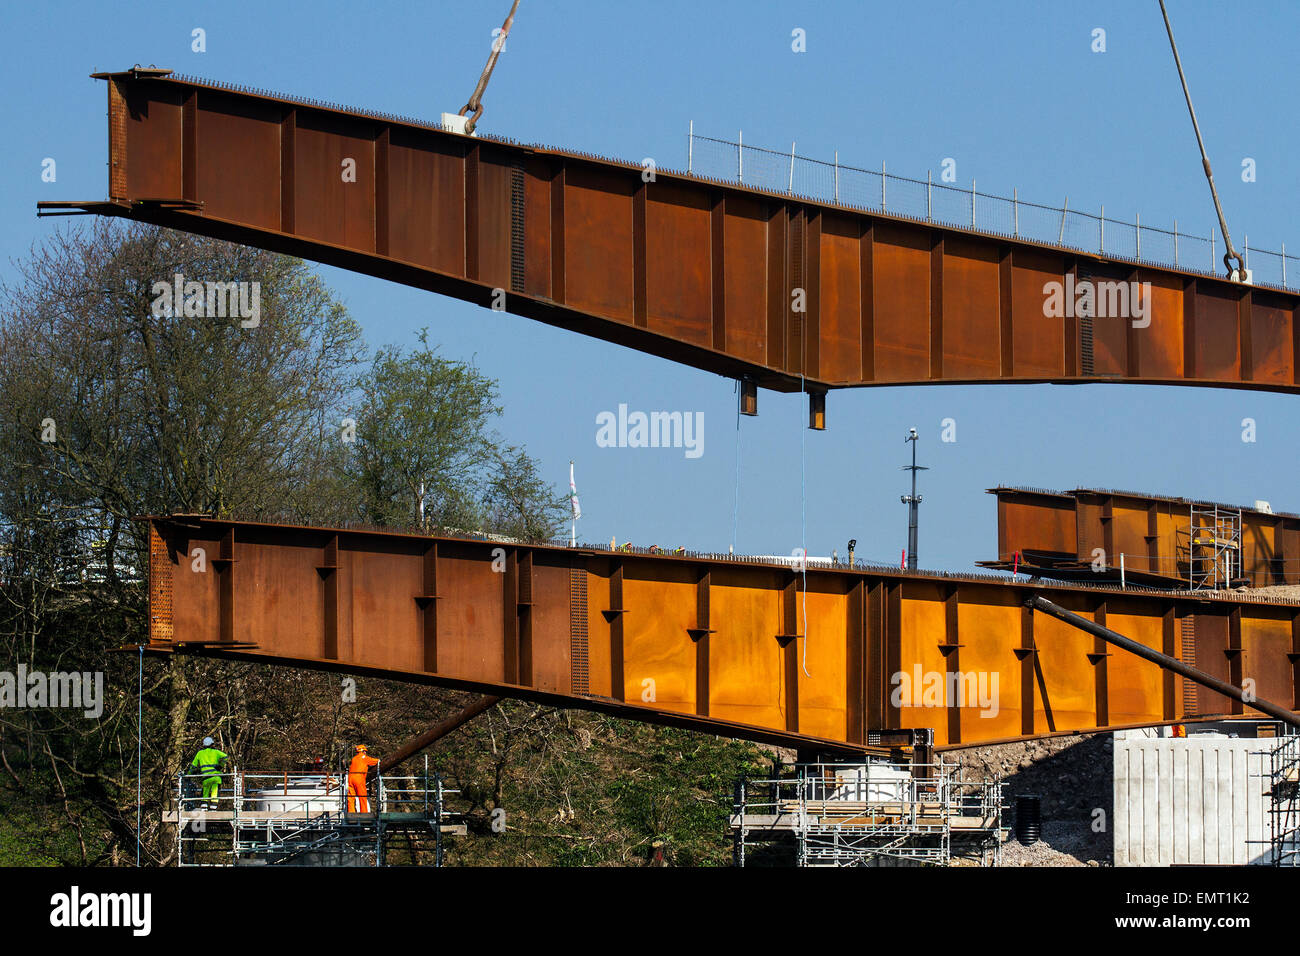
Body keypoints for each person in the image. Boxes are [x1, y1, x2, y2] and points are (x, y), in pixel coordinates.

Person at [190, 736, 228, 810]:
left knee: (205, 792)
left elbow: (193, 766)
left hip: (205, 777)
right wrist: (221, 765)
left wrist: (188, 774)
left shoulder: (200, 753)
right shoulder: (216, 752)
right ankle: (213, 806)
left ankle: (204, 806)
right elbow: (225, 757)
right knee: (215, 791)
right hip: (216, 777)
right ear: (212, 744)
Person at [347, 744, 380, 813]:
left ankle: (351, 813)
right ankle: (364, 813)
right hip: (359, 778)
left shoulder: (354, 758)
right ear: (363, 751)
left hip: (350, 778)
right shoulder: (364, 757)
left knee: (351, 797)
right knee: (362, 796)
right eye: (365, 751)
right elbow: (376, 761)